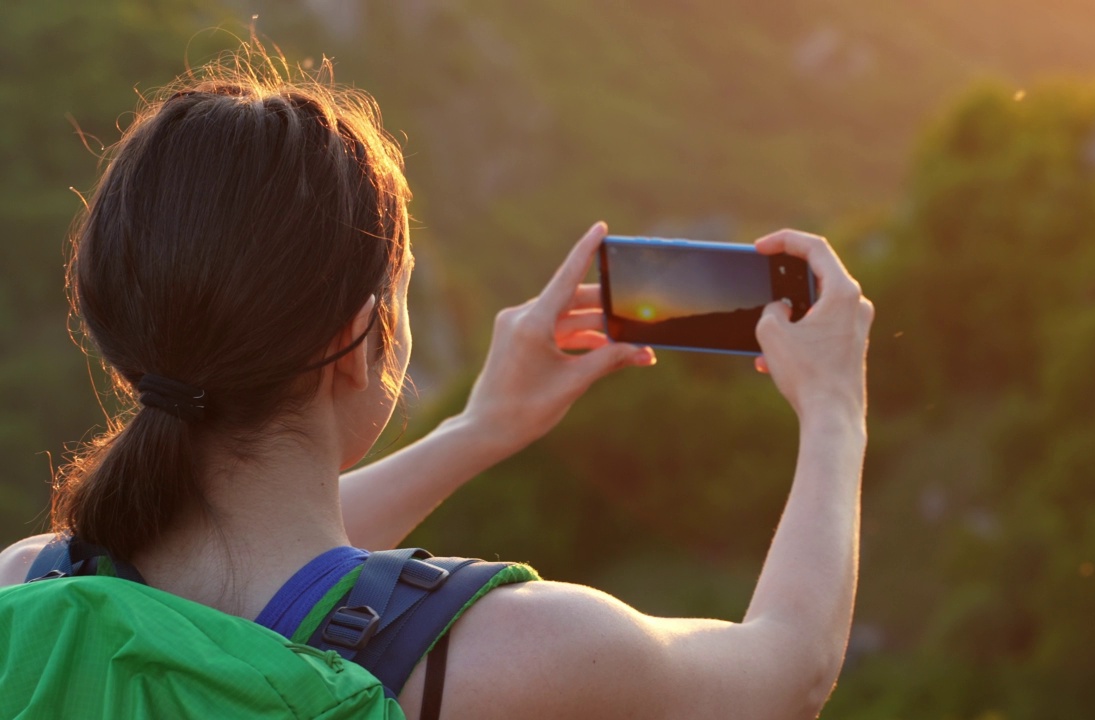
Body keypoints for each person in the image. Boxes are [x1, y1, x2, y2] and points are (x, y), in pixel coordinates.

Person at [0, 46, 873, 719]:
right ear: (356, 339)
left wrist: (479, 431)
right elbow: (786, 673)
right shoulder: (506, 657)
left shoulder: (29, 593)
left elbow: (260, 577)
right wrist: (835, 408)